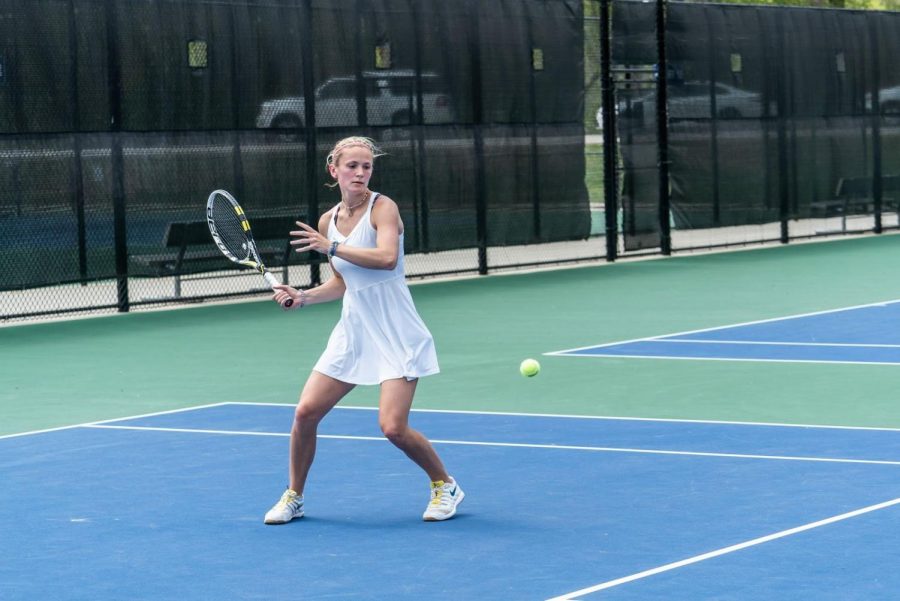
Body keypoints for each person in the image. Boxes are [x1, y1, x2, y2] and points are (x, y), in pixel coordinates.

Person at [263, 136, 464, 525]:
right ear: (333, 170)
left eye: (366, 166)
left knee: (392, 427)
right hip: (354, 330)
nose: (360, 173)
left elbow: (387, 259)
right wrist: (303, 297)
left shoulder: (382, 208)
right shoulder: (328, 221)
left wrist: (331, 248)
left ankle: (445, 485)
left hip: (397, 330)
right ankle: (295, 496)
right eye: (352, 166)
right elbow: (342, 284)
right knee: (305, 412)